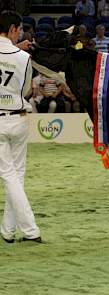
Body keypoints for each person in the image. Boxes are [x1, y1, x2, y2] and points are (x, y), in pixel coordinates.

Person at [0, 10, 41, 243]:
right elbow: (26, 90)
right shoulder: (23, 57)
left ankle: (17, 231)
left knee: (10, 176)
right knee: (16, 175)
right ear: (14, 29)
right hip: (18, 116)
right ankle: (19, 230)